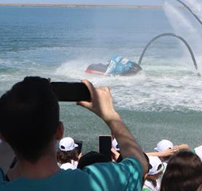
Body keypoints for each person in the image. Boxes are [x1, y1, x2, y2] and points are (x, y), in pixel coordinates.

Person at [0, 76, 148, 190]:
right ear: (59, 131)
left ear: (4, 136)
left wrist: (14, 120)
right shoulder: (96, 183)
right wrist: (111, 115)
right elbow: (139, 164)